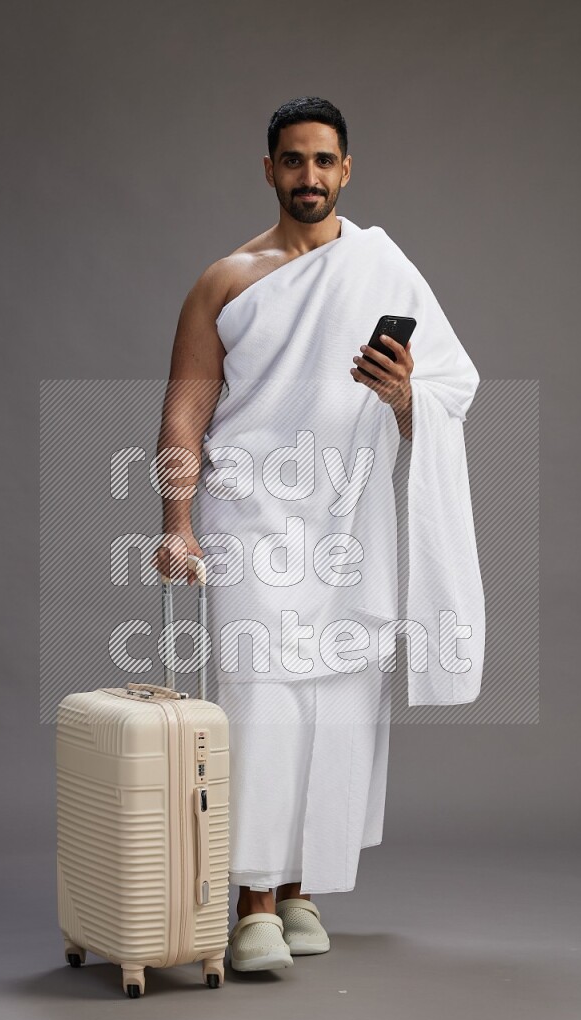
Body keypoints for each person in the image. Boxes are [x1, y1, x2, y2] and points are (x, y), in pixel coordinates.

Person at [153, 97, 483, 973]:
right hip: (252, 515)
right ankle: (251, 902)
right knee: (260, 698)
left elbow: (450, 389)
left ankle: (300, 890)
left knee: (338, 701)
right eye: (293, 161)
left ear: (347, 170)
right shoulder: (225, 280)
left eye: (324, 162)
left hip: (349, 516)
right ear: (268, 169)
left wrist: (404, 394)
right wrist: (177, 522)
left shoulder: (385, 269)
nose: (309, 177)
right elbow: (186, 412)